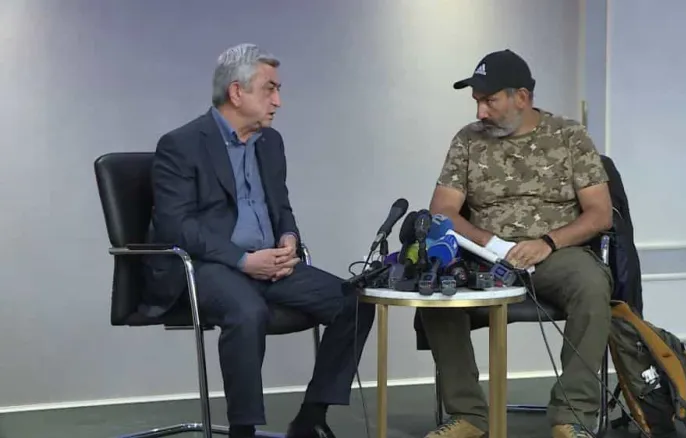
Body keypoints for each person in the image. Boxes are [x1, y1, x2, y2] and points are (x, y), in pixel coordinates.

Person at [143, 43, 375, 438]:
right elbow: (176, 225)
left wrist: (288, 238)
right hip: (208, 265)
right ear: (237, 92)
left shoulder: (270, 142)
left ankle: (311, 418)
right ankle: (243, 429)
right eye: (270, 89)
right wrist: (243, 261)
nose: (278, 101)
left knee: (354, 302)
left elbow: (281, 205)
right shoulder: (181, 144)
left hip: (269, 263)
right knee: (247, 311)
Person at [420, 49, 614, 438]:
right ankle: (468, 415)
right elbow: (442, 211)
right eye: (477, 101)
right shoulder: (468, 140)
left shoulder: (569, 136)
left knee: (593, 285)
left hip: (555, 255)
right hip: (484, 258)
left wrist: (548, 242)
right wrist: (489, 241)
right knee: (437, 294)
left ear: (521, 97)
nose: (480, 112)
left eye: (489, 101)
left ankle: (572, 416)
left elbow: (600, 214)